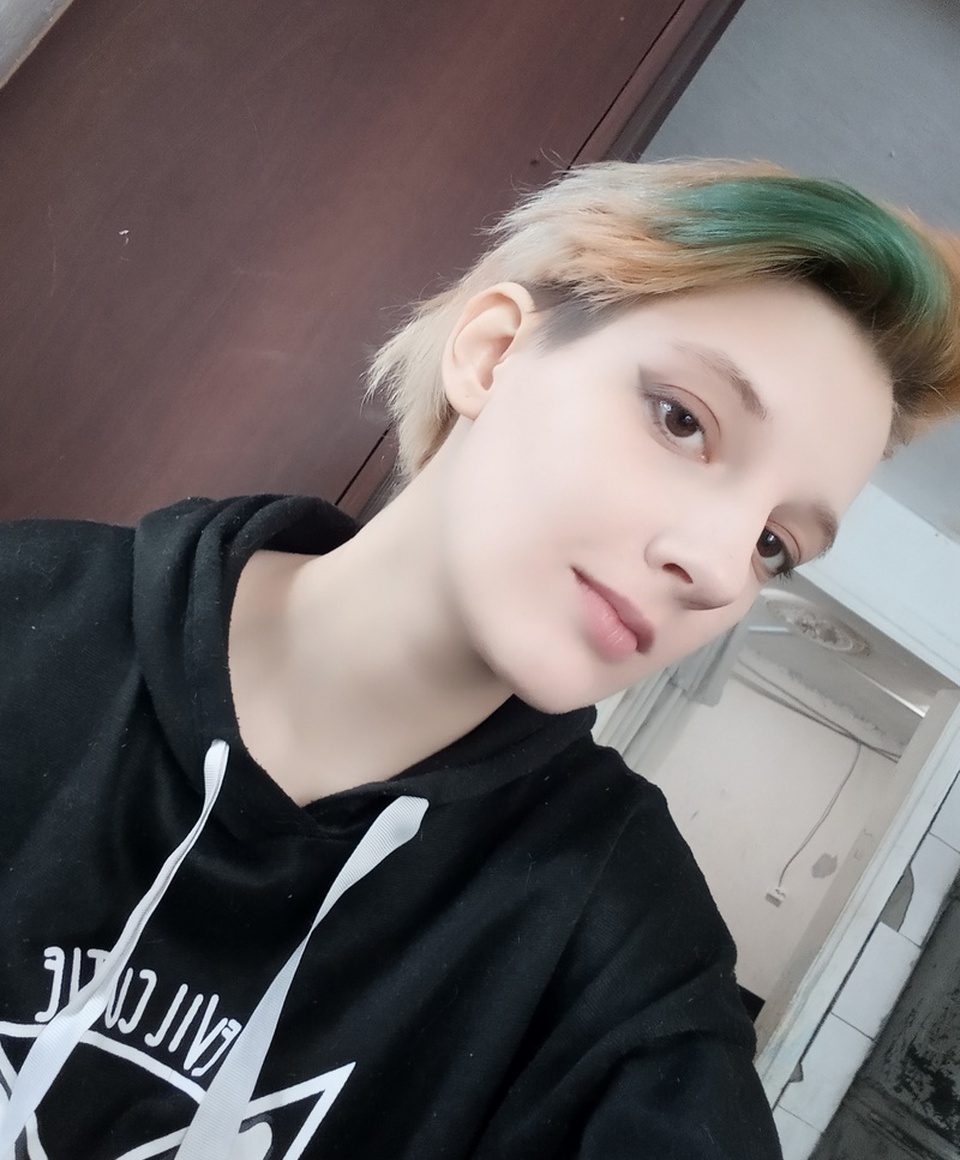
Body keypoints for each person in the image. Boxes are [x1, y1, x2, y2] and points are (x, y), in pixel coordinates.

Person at [1, 159, 958, 1160]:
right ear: (494, 352)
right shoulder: (25, 606)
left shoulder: (622, 940)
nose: (720, 568)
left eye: (774, 546)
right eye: (683, 419)